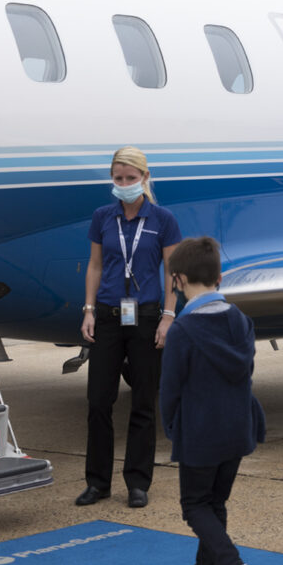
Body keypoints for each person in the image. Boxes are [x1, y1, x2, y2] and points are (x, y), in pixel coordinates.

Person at [159, 237, 266, 565]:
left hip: (201, 432)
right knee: (214, 503)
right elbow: (246, 372)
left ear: (179, 279)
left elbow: (170, 388)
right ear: (220, 277)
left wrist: (172, 426)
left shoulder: (184, 331)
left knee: (195, 505)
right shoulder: (241, 320)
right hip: (238, 428)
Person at [77, 146, 181, 509]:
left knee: (142, 403)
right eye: (118, 179)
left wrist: (169, 316)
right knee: (98, 401)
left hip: (148, 317)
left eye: (130, 178)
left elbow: (173, 271)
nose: (124, 185)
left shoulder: (163, 219)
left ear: (145, 178)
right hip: (107, 315)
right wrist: (88, 310)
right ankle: (97, 482)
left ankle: (138, 482)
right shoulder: (102, 217)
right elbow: (94, 265)